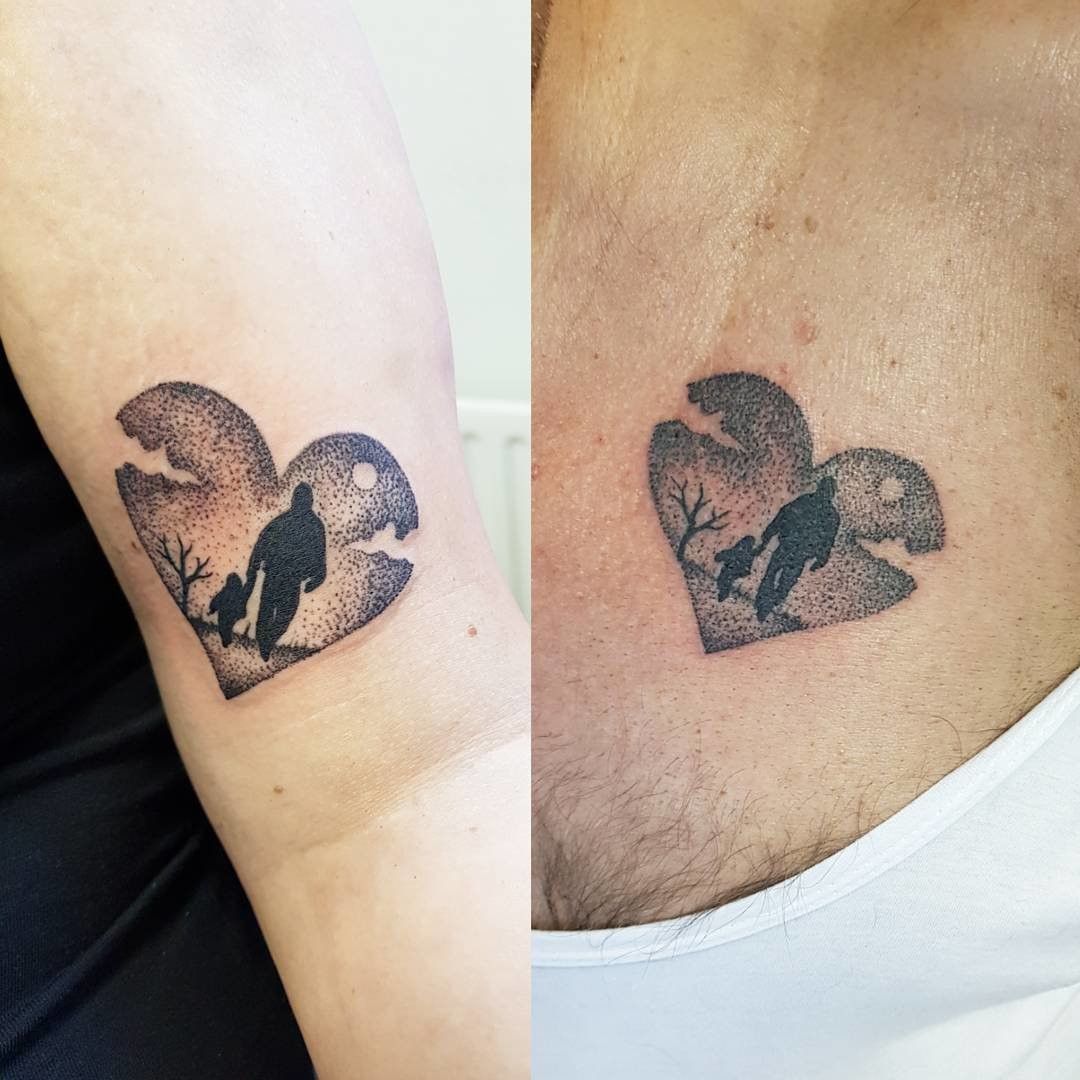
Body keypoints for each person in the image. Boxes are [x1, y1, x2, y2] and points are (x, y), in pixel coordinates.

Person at [243, 482, 327, 660]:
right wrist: (254, 566)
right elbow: (262, 543)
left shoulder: (314, 526)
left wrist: (317, 578)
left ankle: (268, 641)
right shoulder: (282, 521)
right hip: (274, 574)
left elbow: (319, 554)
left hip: (292, 579)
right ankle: (263, 644)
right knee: (266, 612)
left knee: (285, 615)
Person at [754, 476, 840, 622]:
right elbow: (783, 516)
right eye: (825, 489)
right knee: (772, 576)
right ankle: (763, 606)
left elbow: (828, 541)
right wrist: (767, 536)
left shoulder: (829, 514)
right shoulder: (807, 502)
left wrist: (821, 559)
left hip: (798, 553)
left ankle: (769, 604)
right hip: (788, 547)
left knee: (783, 582)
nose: (825, 493)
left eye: (828, 490)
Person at [713, 534, 757, 602]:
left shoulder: (739, 553)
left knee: (724, 581)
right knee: (724, 581)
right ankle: (722, 594)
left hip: (730, 572)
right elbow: (747, 570)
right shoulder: (746, 555)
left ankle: (722, 594)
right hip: (730, 572)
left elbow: (721, 556)